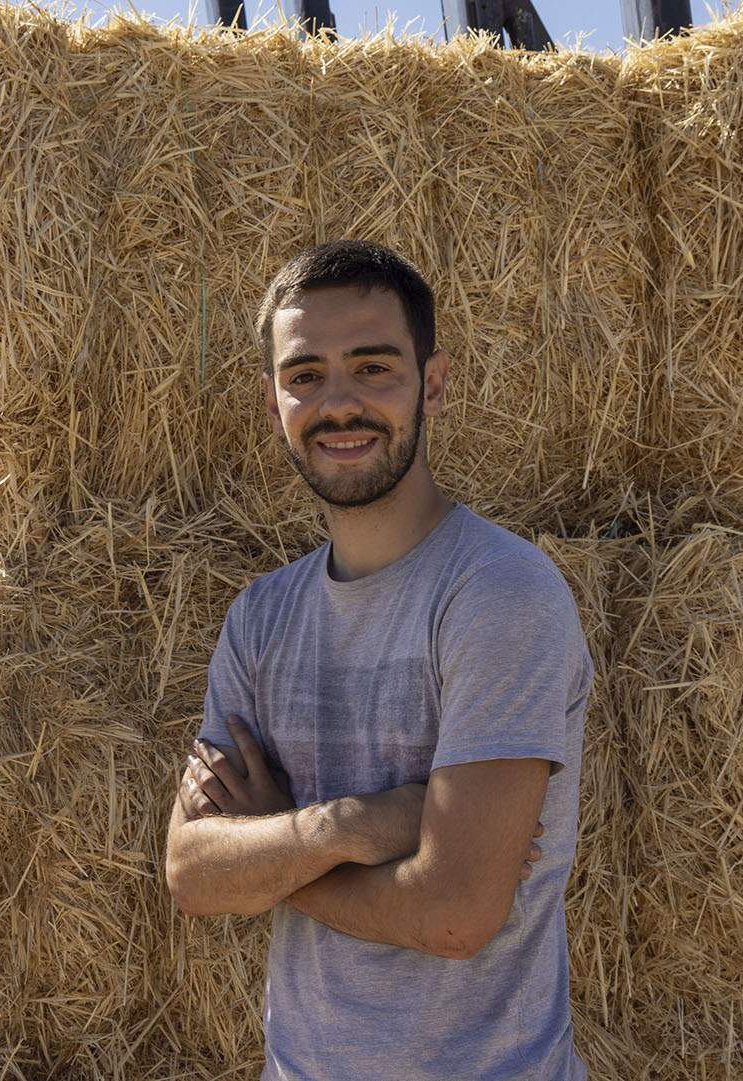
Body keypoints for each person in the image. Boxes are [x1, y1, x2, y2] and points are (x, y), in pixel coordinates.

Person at [163, 239, 593, 1080]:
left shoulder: (500, 594)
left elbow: (457, 913)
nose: (340, 403)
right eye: (305, 375)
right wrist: (360, 824)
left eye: (373, 367)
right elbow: (190, 872)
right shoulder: (259, 618)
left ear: (432, 384)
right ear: (272, 401)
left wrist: (276, 854)